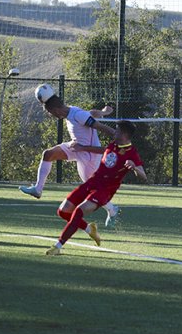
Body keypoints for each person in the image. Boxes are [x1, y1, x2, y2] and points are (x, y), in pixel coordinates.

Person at [19, 85, 121, 227]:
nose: (51, 115)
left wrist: (118, 137)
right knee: (48, 154)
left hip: (89, 155)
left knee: (92, 190)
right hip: (76, 147)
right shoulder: (72, 111)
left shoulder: (77, 115)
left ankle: (112, 209)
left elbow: (100, 127)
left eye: (50, 112)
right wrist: (103, 112)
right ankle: (38, 189)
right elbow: (90, 113)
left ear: (56, 110)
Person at [46, 120, 146, 256]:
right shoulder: (114, 145)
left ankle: (58, 246)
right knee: (63, 212)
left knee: (78, 212)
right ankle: (89, 229)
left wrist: (134, 167)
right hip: (92, 182)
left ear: (124, 134)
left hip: (104, 190)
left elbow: (143, 176)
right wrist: (83, 148)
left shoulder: (132, 153)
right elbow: (104, 150)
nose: (114, 132)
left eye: (117, 131)